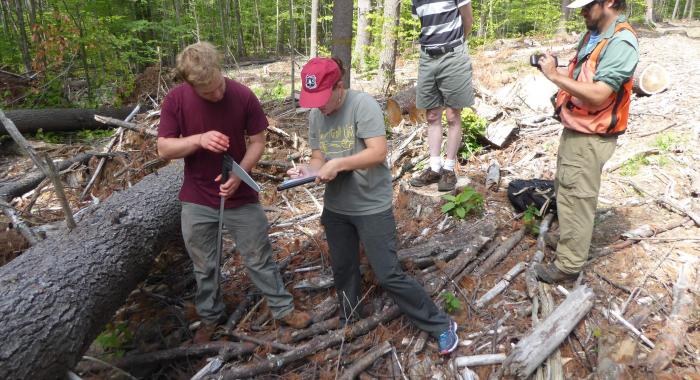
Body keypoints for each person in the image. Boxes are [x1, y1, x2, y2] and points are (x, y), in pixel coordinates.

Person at [288, 57, 459, 355]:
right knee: (343, 268)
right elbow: (318, 157)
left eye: (323, 98)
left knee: (387, 271)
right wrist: (309, 170)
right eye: (312, 99)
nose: (319, 106)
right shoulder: (317, 115)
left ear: (339, 86)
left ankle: (440, 324)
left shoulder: (362, 105)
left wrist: (339, 163)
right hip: (337, 206)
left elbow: (378, 153)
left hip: (370, 205)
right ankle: (351, 319)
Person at [157, 42, 311, 343]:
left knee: (259, 256)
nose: (217, 94)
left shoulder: (241, 94)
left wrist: (240, 174)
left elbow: (257, 141)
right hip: (198, 196)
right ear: (190, 85)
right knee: (204, 264)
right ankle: (211, 317)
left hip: (240, 195)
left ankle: (281, 308)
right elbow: (164, 148)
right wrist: (199, 139)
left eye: (218, 86)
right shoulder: (176, 100)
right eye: (208, 92)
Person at [533, 0, 639, 283]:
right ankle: (571, 240)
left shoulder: (621, 42)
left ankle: (568, 265)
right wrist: (558, 67)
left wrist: (553, 76)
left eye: (587, 5)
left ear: (609, 3)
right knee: (566, 192)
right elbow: (584, 75)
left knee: (578, 197)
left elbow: (598, 95)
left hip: (591, 135)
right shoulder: (595, 34)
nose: (580, 10)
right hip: (577, 128)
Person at [409, 0, 475, 192]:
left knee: (453, 115)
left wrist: (456, 46)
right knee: (432, 115)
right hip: (427, 57)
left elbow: (467, 19)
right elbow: (425, 25)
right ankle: (435, 167)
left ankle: (448, 168)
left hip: (453, 55)